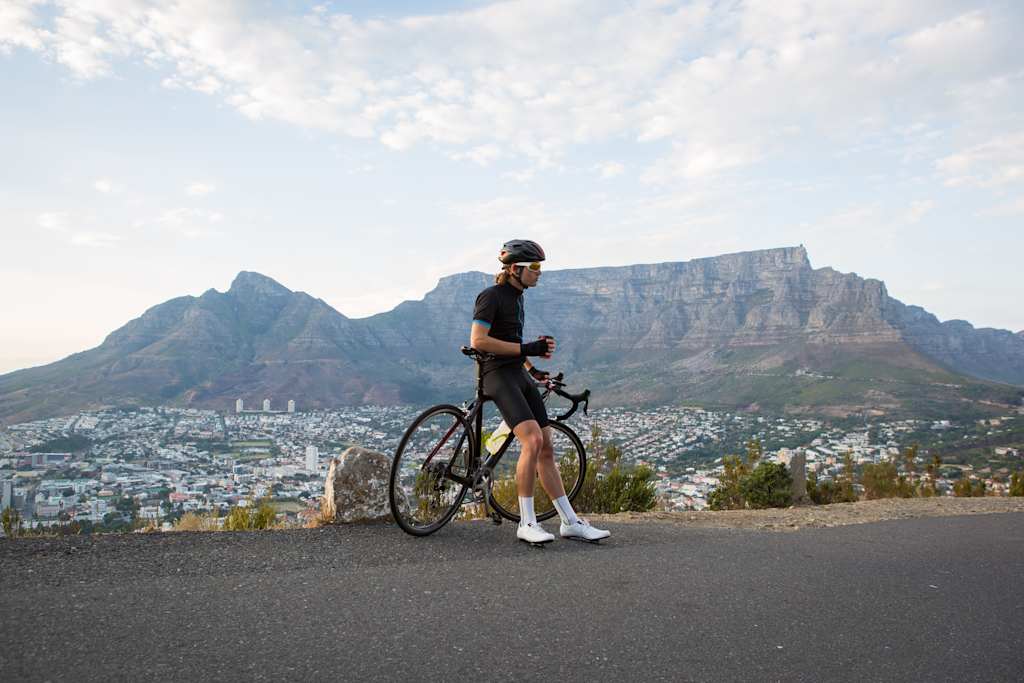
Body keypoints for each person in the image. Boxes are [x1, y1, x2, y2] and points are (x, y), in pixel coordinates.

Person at [469, 239, 610, 545]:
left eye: (539, 267)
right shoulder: (491, 296)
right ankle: (526, 523)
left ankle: (570, 522)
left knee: (546, 444)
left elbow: (511, 342)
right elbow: (479, 340)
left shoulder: (519, 298)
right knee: (532, 440)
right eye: (534, 267)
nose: (539, 272)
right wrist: (525, 347)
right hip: (495, 375)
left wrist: (532, 369)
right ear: (516, 269)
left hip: (517, 374)